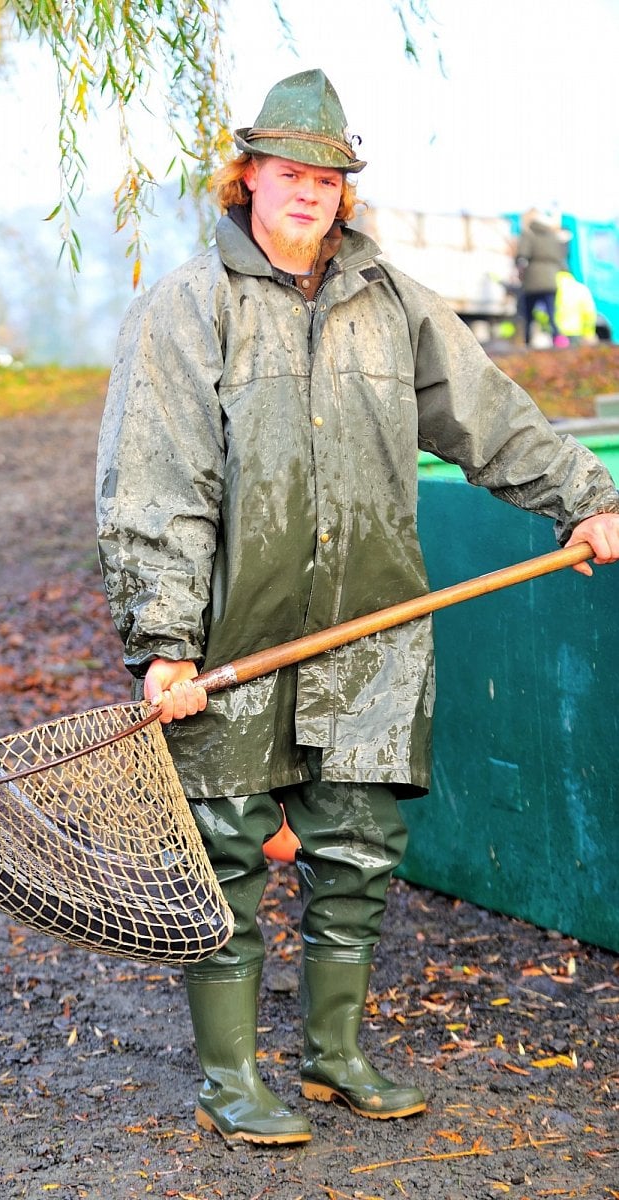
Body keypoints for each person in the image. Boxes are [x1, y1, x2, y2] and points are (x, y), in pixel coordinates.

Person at [96, 69, 619, 1146]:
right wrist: (161, 642)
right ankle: (228, 1079)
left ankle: (333, 1055)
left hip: (370, 631)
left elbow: (489, 418)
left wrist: (587, 497)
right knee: (226, 855)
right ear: (245, 180)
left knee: (359, 849)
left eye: (327, 176)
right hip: (229, 637)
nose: (308, 191)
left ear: (345, 190)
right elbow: (154, 489)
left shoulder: (392, 307)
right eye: (288, 172)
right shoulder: (184, 310)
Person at [515, 209, 571, 346]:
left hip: (532, 280)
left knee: (529, 314)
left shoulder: (528, 234)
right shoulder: (552, 236)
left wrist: (519, 268)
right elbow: (561, 257)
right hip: (551, 279)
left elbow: (522, 255)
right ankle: (557, 340)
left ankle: (527, 341)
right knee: (551, 313)